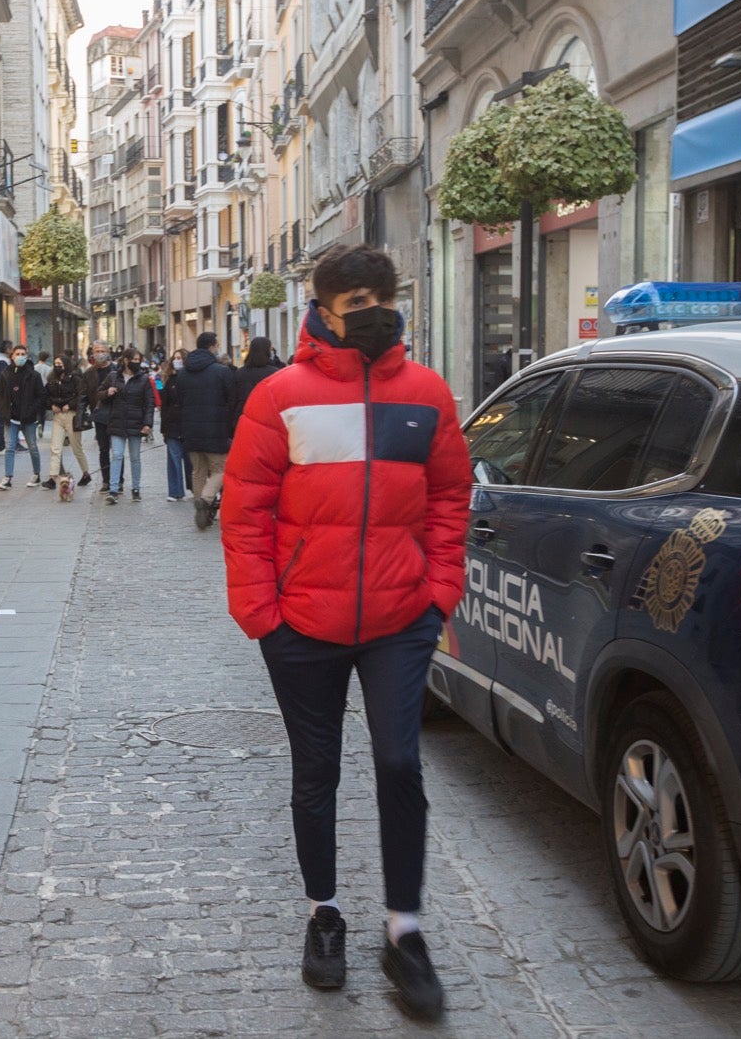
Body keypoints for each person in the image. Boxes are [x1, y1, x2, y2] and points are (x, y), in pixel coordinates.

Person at [220, 244, 470, 1020]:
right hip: (302, 623)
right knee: (316, 769)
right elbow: (245, 509)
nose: (371, 312)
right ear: (322, 311)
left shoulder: (426, 394)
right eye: (355, 301)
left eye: (381, 298)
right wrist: (262, 613)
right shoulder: (280, 396)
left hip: (400, 619)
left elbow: (450, 498)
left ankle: (405, 929)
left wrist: (438, 594)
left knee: (399, 761)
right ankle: (323, 913)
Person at [171, 330, 235, 530]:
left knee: (197, 471)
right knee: (220, 470)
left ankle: (201, 510)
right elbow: (231, 400)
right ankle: (205, 500)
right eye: (217, 345)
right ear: (212, 347)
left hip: (190, 429)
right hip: (216, 429)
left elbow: (179, 402)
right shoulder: (222, 371)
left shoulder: (183, 374)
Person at [102, 347, 154, 504]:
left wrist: (148, 423)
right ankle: (113, 490)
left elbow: (149, 403)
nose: (137, 363)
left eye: (139, 360)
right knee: (117, 455)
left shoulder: (143, 379)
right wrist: (107, 392)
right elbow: (99, 393)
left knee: (135, 457)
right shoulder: (113, 376)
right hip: (117, 421)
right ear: (126, 360)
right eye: (134, 360)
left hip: (136, 423)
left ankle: (136, 489)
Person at [0, 343, 45, 489]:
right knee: (10, 447)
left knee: (32, 447)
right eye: (17, 354)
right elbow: (1, 396)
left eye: (23, 354)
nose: (20, 357)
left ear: (27, 357)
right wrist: (4, 411)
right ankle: (7, 477)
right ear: (12, 356)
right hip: (11, 418)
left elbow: (41, 396)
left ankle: (36, 474)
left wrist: (31, 411)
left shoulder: (34, 375)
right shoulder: (6, 374)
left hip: (28, 418)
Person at [44, 353, 92, 489]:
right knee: (55, 448)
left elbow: (81, 396)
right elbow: (45, 396)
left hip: (72, 416)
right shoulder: (51, 379)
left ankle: (86, 473)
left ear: (66, 365)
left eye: (60, 364)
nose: (57, 366)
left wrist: (69, 405)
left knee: (76, 448)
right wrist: (51, 405)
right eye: (55, 364)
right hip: (58, 417)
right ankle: (52, 478)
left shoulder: (75, 379)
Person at [81, 340, 117, 492]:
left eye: (103, 351)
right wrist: (81, 415)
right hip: (99, 415)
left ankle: (118, 480)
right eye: (97, 351)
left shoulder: (116, 369)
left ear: (108, 353)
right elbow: (83, 395)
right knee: (103, 449)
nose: (100, 354)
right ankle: (106, 481)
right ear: (92, 353)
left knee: (117, 450)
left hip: (116, 414)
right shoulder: (89, 373)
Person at [158, 347, 192, 502]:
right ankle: (175, 491)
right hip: (172, 424)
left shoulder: (192, 379)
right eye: (175, 358)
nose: (177, 361)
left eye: (180, 358)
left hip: (188, 424)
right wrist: (163, 428)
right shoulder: (168, 380)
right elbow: (164, 405)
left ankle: (193, 487)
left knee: (190, 460)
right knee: (173, 459)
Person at [231, 336, 279, 433]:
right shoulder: (275, 373)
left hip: (243, 418)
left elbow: (233, 400)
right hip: (268, 420)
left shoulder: (240, 373)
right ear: (267, 351)